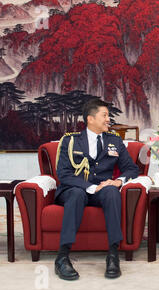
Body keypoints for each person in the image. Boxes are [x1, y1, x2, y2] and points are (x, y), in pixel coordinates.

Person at [54, 98, 139, 280]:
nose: (109, 119)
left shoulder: (114, 141)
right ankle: (62, 257)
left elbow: (132, 168)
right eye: (105, 115)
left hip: (102, 191)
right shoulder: (70, 141)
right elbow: (64, 174)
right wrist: (91, 187)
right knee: (77, 194)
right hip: (74, 189)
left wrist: (119, 181)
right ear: (90, 119)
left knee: (111, 191)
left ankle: (113, 255)